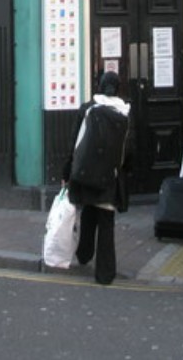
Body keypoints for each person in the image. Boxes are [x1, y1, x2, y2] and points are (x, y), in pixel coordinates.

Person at [62, 71, 132, 285]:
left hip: (86, 173)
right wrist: (124, 173)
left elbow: (74, 143)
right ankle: (105, 274)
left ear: (99, 86)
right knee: (106, 224)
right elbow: (128, 150)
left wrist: (67, 172)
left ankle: (84, 254)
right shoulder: (125, 113)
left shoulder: (87, 109)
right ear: (118, 88)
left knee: (88, 212)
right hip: (110, 176)